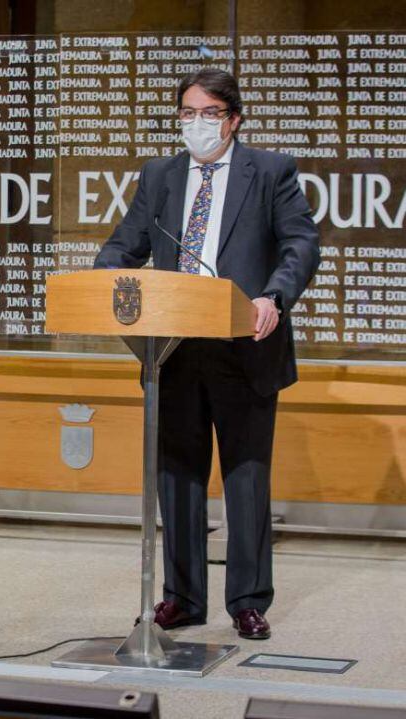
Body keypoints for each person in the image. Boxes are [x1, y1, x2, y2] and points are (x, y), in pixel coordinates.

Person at [94, 68, 319, 639]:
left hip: (246, 344)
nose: (197, 124)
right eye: (187, 113)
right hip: (173, 346)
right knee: (179, 476)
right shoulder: (162, 174)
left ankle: (247, 600)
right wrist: (106, 275)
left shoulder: (270, 171)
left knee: (245, 478)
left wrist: (274, 297)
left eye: (209, 113)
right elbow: (127, 241)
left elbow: (300, 244)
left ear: (234, 119)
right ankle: (182, 598)